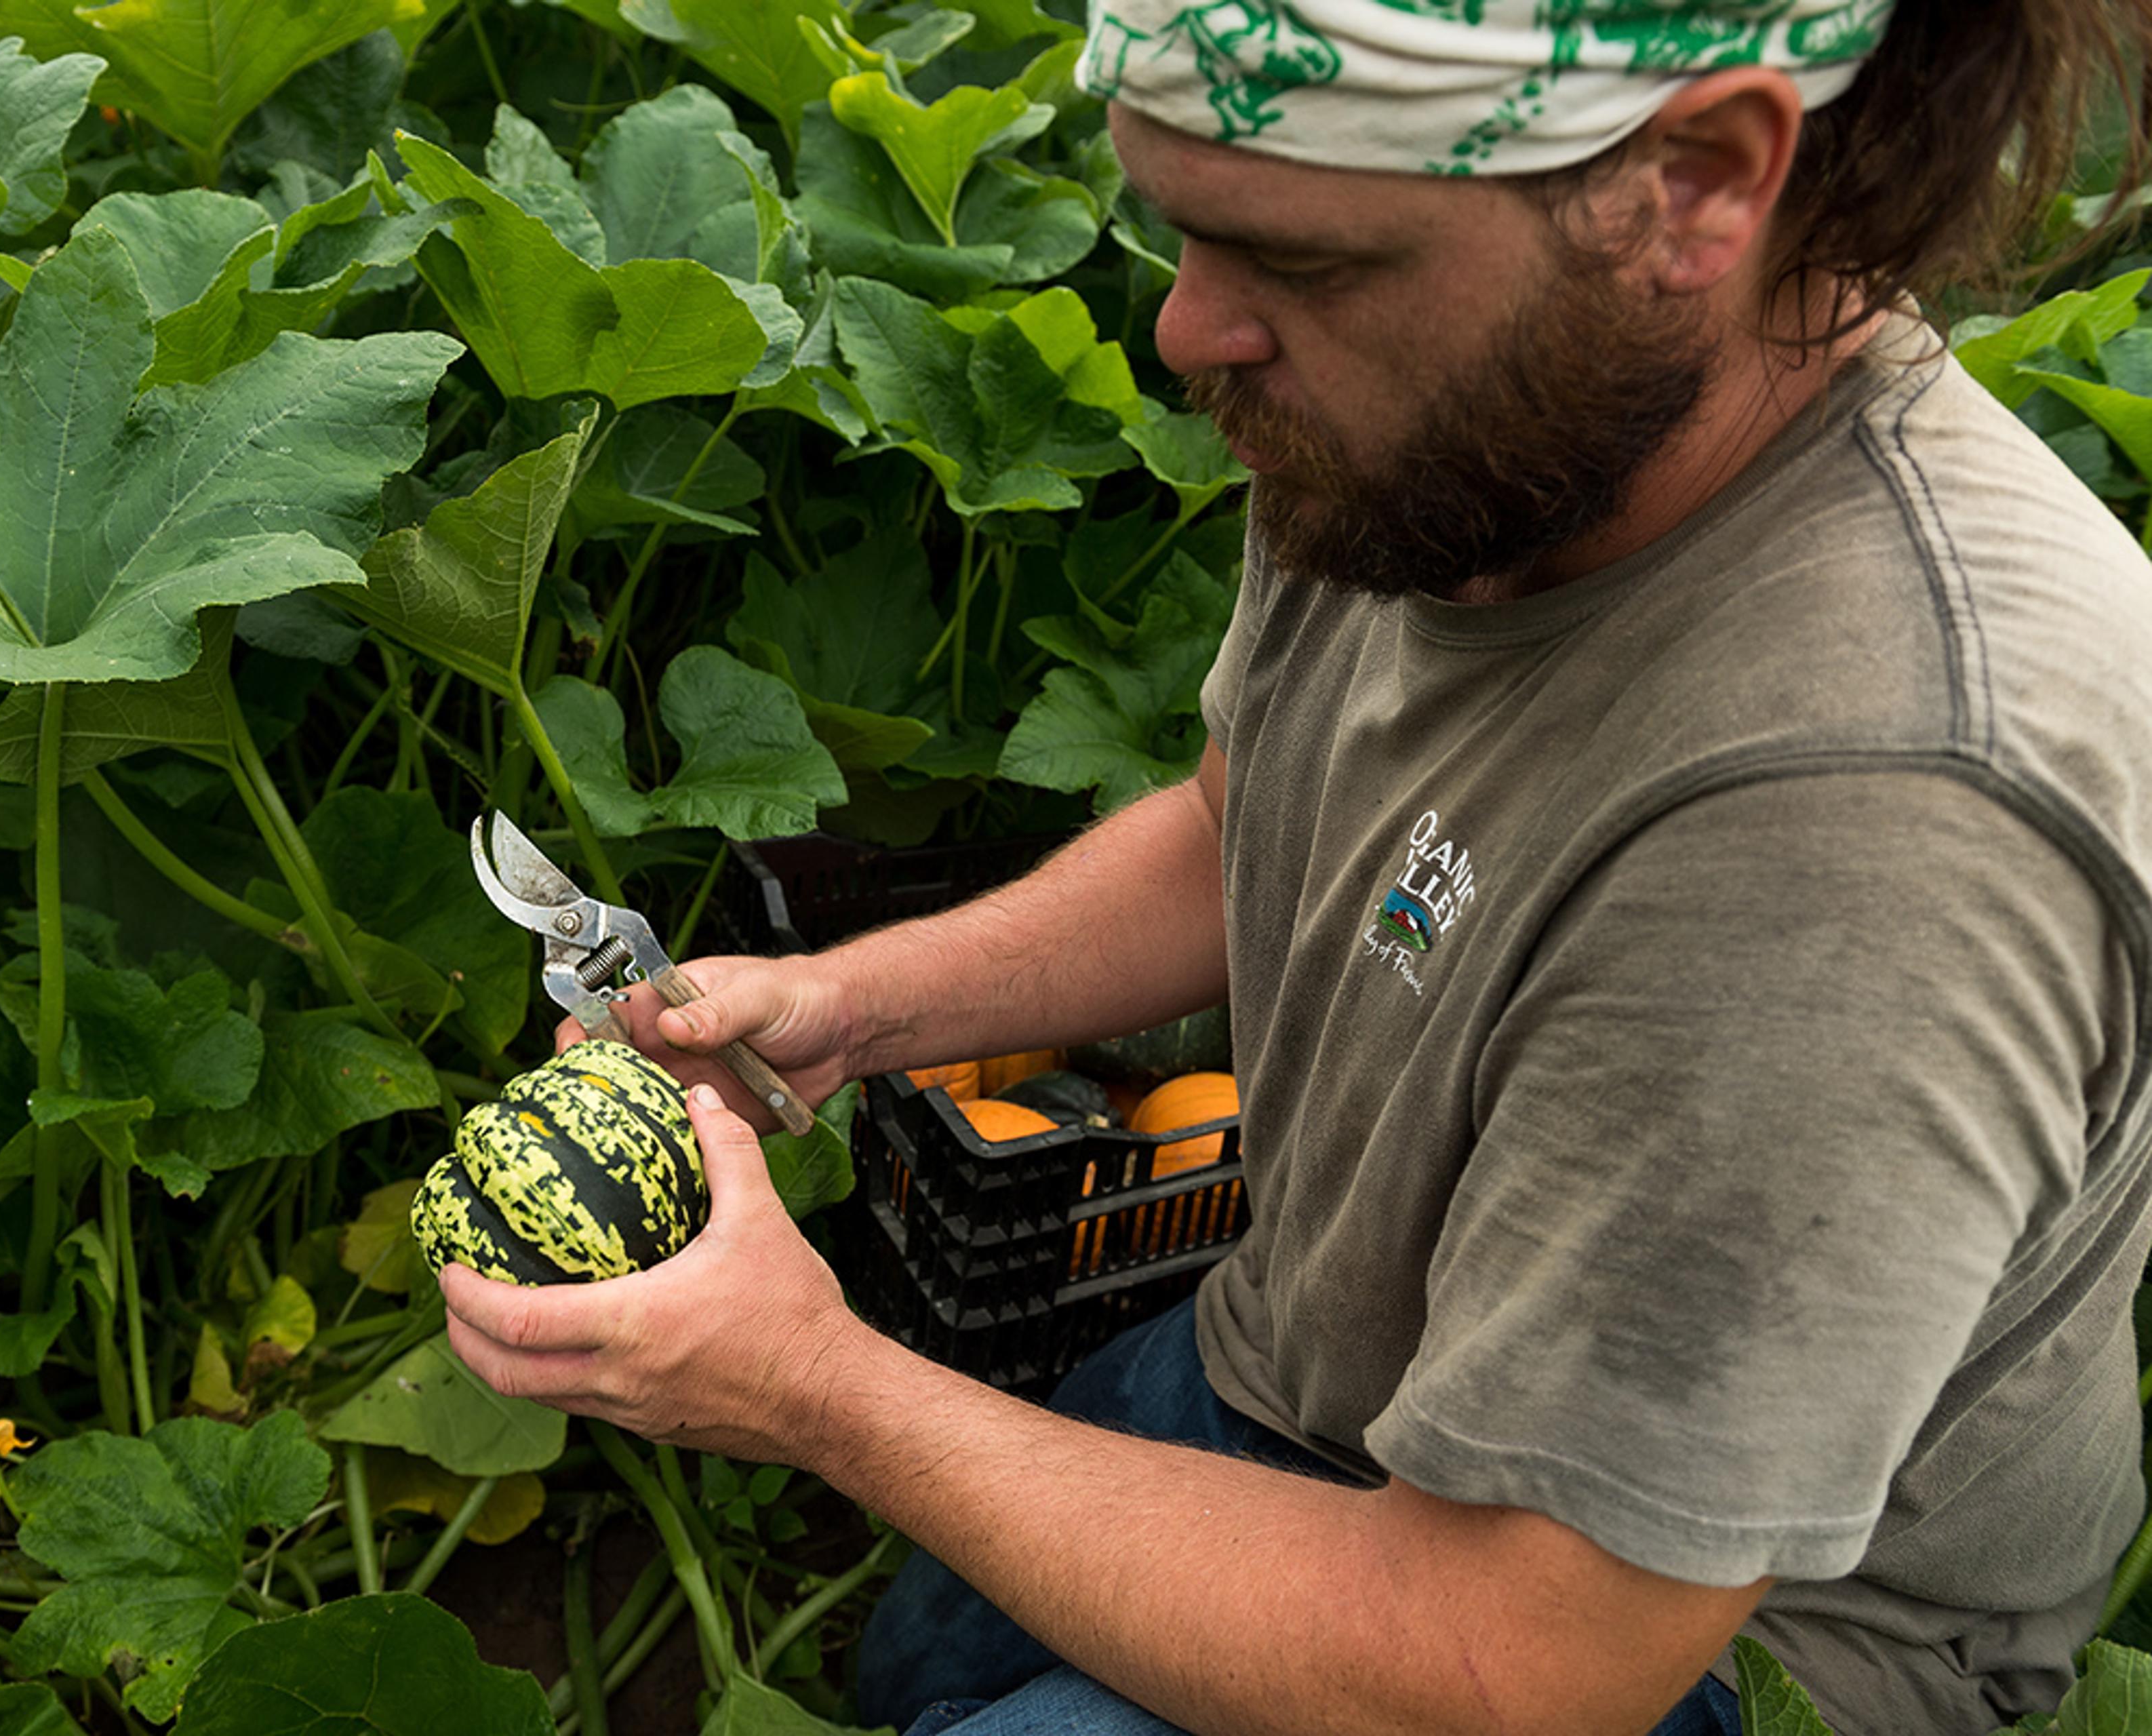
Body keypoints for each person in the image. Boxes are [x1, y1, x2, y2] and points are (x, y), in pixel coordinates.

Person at [437, 0, 2152, 1728]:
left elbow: (1514, 1667)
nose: (1190, 328)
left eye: (1299, 261)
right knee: (923, 1661)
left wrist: (812, 1384)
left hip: (1687, 1643)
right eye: (1185, 227)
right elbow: (1234, 823)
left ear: (1694, 185)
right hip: (1345, 1365)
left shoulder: (1875, 812)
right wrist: (851, 1002)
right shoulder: (1458, 420)